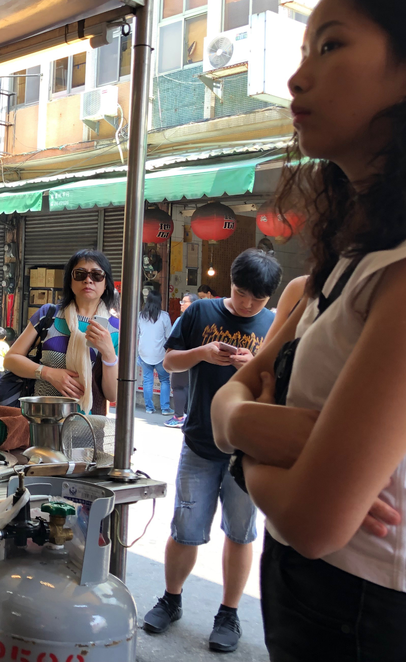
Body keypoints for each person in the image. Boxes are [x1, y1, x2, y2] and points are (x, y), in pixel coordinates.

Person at [211, 0, 406, 660]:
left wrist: (240, 439)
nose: (297, 76)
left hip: (390, 626)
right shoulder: (357, 258)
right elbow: (234, 395)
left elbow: (314, 518)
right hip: (326, 608)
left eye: (331, 45)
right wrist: (251, 421)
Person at [144, 248, 281, 653]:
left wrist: (252, 366)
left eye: (258, 299)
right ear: (231, 285)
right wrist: (202, 353)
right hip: (201, 442)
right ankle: (171, 599)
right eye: (241, 294)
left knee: (240, 534)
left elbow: (277, 387)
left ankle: (229, 612)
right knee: (185, 530)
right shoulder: (200, 312)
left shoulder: (274, 325)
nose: (248, 304)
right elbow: (168, 363)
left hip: (247, 451)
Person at [4, 249, 119, 415]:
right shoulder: (48, 315)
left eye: (96, 274)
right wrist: (48, 373)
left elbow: (112, 394)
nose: (88, 280)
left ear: (105, 282)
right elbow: (10, 360)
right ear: (70, 281)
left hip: (87, 427)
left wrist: (108, 353)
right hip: (42, 421)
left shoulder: (114, 328)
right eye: (80, 274)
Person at [164, 292, 197, 428]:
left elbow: (172, 340)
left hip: (181, 357)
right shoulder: (200, 319)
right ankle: (186, 414)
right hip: (195, 359)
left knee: (178, 386)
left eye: (184, 302)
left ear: (192, 304)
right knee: (188, 387)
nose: (181, 304)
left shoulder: (182, 320)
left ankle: (178, 417)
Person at [137, 288, 172, 415]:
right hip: (160, 354)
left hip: (144, 353)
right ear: (159, 301)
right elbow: (169, 336)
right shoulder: (164, 316)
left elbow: (137, 334)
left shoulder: (140, 316)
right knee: (164, 380)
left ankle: (149, 408)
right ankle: (165, 408)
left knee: (147, 380)